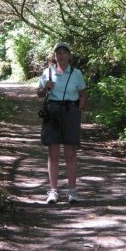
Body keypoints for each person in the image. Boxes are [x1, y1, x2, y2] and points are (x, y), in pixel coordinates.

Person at [37, 42, 87, 204]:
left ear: (69, 55)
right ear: (55, 56)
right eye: (59, 53)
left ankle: (72, 191)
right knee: (53, 154)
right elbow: (38, 94)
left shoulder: (76, 73)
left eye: (65, 52)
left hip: (70, 111)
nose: (62, 55)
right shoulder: (47, 72)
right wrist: (46, 88)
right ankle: (53, 191)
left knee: (71, 154)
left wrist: (79, 110)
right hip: (52, 112)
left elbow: (83, 94)